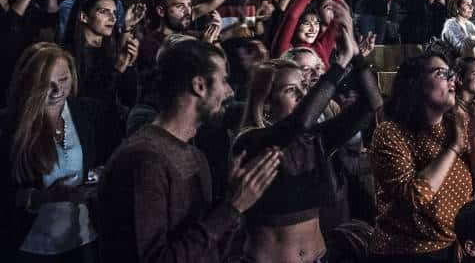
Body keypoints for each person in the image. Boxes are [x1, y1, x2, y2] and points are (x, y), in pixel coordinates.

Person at [96, 40, 282, 263]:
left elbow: (208, 249)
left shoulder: (195, 155)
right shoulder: (143, 160)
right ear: (199, 86)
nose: (229, 90)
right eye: (223, 81)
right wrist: (231, 207)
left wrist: (232, 202)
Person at [232, 18, 380, 263]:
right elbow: (299, 122)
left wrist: (356, 57)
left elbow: (372, 104)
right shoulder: (251, 142)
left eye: (304, 87)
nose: (303, 94)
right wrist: (340, 62)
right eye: (291, 90)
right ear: (266, 104)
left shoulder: (314, 139)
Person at [368, 40, 475, 261]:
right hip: (407, 251)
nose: (453, 80)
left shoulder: (456, 124)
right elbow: (415, 196)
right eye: (441, 73)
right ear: (415, 83)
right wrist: (454, 147)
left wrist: (474, 133)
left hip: (452, 247)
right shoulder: (390, 133)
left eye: (451, 74)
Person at [0, 43, 121, 261]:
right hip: (31, 246)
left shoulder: (87, 113)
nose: (58, 91)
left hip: (83, 239)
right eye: (48, 84)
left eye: (64, 80)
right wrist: (40, 198)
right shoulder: (9, 126)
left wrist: (99, 176)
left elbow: (106, 160)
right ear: (30, 84)